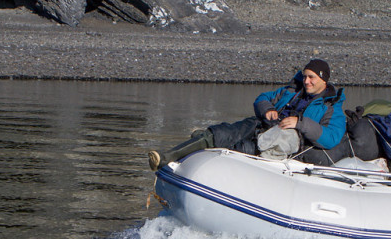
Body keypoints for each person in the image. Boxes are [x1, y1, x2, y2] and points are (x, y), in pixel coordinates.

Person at [147, 59, 346, 170]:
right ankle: (166, 157)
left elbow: (331, 138)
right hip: (261, 125)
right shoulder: (291, 91)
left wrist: (300, 123)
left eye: (311, 77)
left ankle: (199, 152)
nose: (306, 81)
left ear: (323, 80)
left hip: (280, 141)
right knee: (222, 132)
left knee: (240, 148)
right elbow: (263, 98)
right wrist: (268, 110)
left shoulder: (332, 106)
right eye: (305, 77)